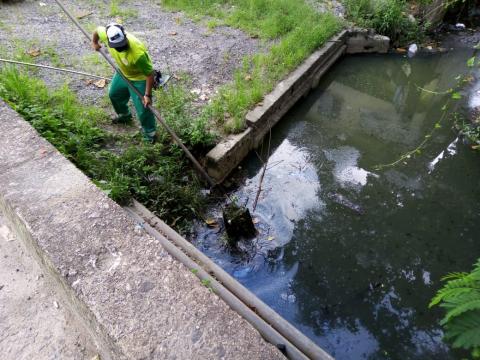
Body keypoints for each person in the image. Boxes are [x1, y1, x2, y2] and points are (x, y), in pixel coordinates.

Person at [92, 23, 156, 143]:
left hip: (139, 78)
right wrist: (95, 42)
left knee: (143, 108)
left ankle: (150, 134)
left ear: (125, 36)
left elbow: (149, 74)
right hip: (123, 73)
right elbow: (97, 30)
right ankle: (124, 116)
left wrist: (147, 95)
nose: (120, 48)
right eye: (116, 46)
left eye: (122, 44)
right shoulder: (106, 35)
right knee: (114, 94)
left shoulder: (138, 53)